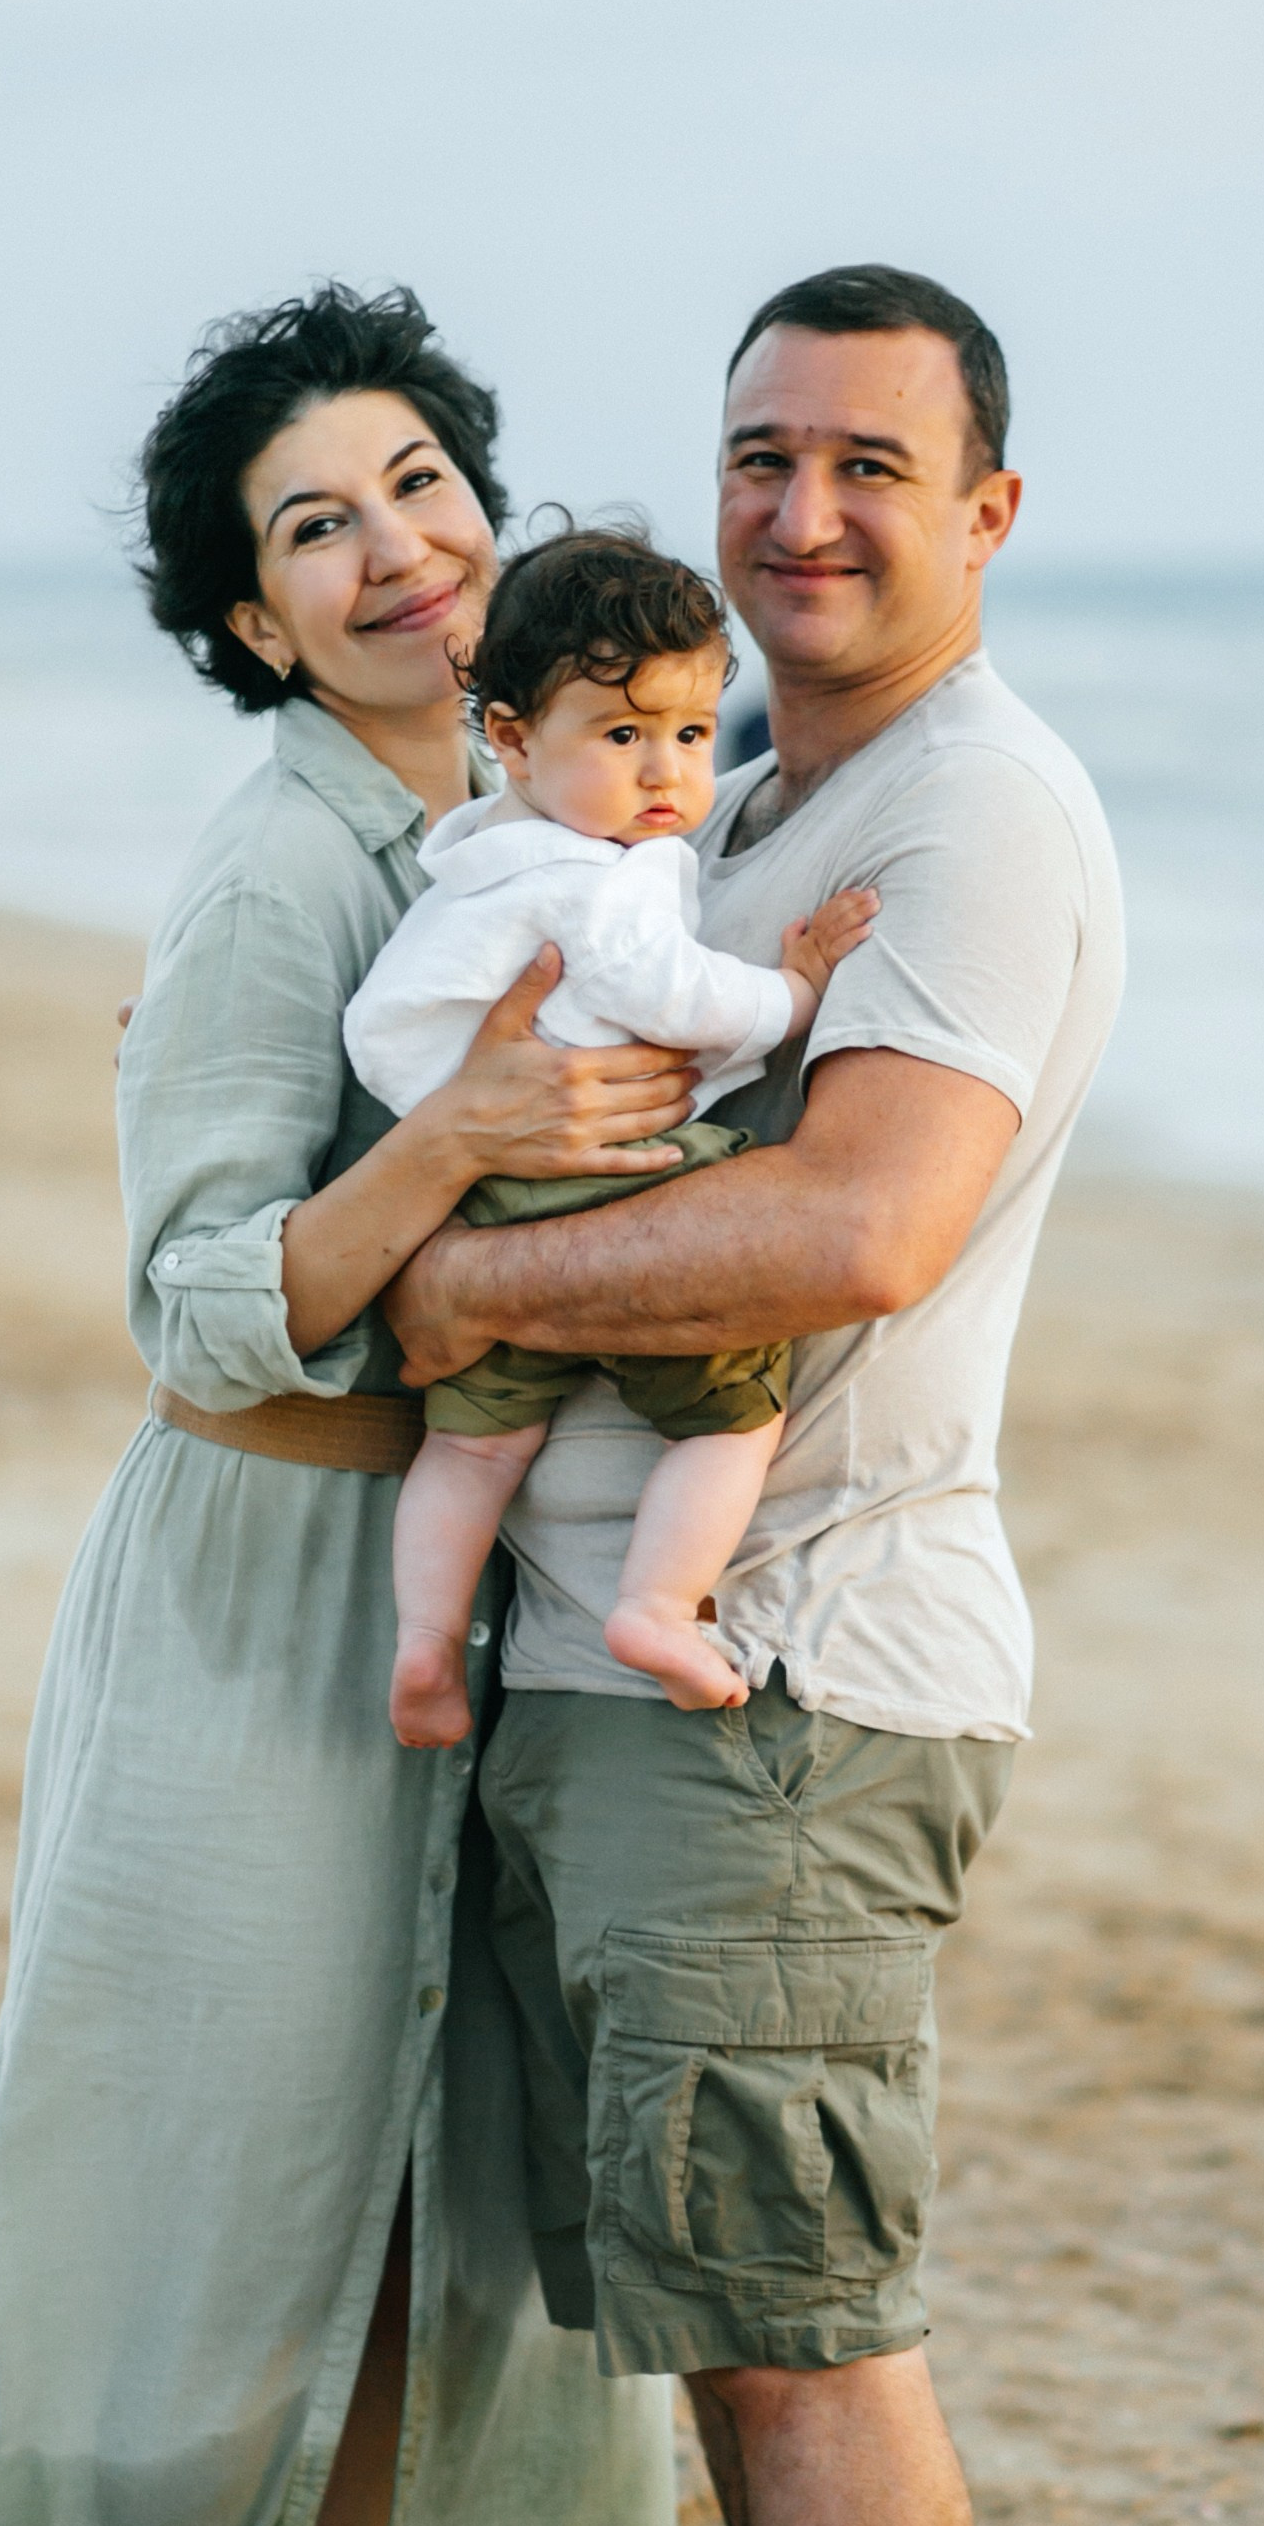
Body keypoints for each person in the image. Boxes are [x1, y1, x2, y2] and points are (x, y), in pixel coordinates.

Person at [0, 284, 685, 2526]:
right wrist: (449, 1137)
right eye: (314, 525)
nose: (397, 546)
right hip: (257, 1595)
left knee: (405, 2220)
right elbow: (201, 1297)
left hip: (445, 1601)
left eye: (422, 480)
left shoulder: (518, 811)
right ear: (247, 620)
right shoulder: (280, 858)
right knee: (229, 2212)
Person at [382, 263, 1127, 2526]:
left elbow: (854, 1232)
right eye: (758, 454)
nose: (801, 513)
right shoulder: (772, 781)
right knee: (735, 2286)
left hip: (799, 1665)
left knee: (809, 2315)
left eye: (870, 466)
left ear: (989, 517)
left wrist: (453, 1270)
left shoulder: (977, 816)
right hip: (663, 1652)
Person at [341, 525, 877, 1745]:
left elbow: (383, 1033)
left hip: (495, 1192)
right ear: (515, 737)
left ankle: (423, 1647)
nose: (665, 775)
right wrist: (789, 996)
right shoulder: (603, 876)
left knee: (475, 1449)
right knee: (738, 1413)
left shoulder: (477, 872)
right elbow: (682, 1004)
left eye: (691, 735)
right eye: (623, 735)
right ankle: (655, 1603)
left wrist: (462, 1118)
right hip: (620, 1183)